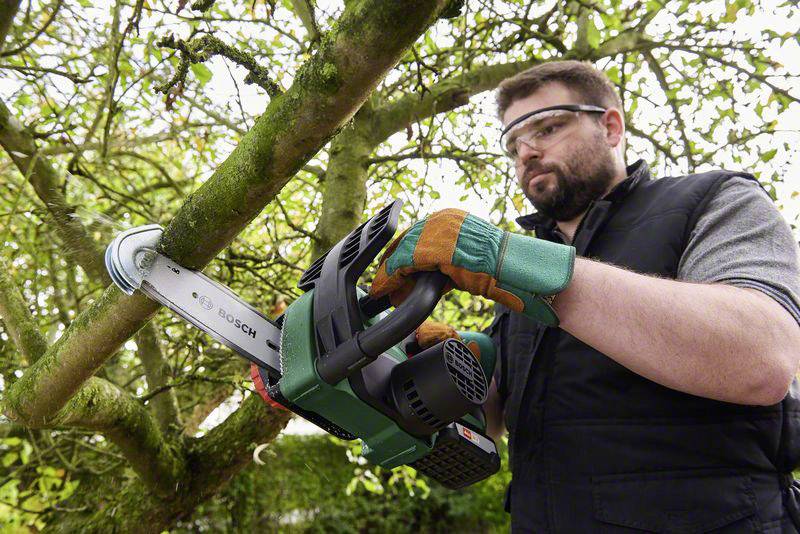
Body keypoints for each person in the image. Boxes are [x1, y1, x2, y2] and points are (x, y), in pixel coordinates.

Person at [370, 60, 800, 532]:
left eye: (547, 128)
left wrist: (515, 264)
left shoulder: (715, 199)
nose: (527, 152)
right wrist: (424, 363)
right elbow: (487, 427)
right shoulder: (516, 279)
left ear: (611, 126)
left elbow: (761, 357)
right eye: (513, 145)